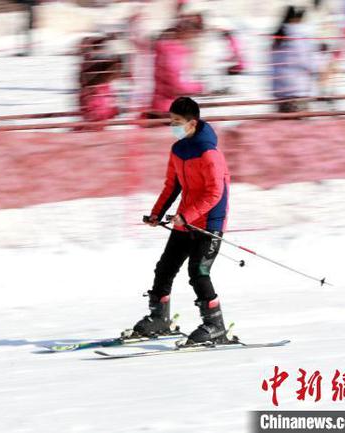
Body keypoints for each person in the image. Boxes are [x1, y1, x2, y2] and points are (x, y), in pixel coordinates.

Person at [132, 97, 231, 344]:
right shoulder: (177, 150)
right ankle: (159, 319)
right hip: (184, 219)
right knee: (165, 267)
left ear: (192, 123)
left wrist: (188, 216)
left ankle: (215, 325)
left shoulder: (209, 153)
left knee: (198, 272)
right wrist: (157, 213)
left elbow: (214, 194)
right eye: (171, 121)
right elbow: (172, 185)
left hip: (209, 222)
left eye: (177, 122)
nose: (172, 126)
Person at [145, 22, 203, 119]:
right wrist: (198, 87)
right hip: (170, 108)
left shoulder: (162, 50)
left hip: (160, 104)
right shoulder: (175, 51)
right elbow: (175, 83)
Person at [270, 6, 315, 113]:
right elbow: (304, 60)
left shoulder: (277, 36)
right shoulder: (298, 35)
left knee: (284, 123)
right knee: (298, 124)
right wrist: (317, 70)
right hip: (297, 89)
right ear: (297, 19)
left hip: (280, 89)